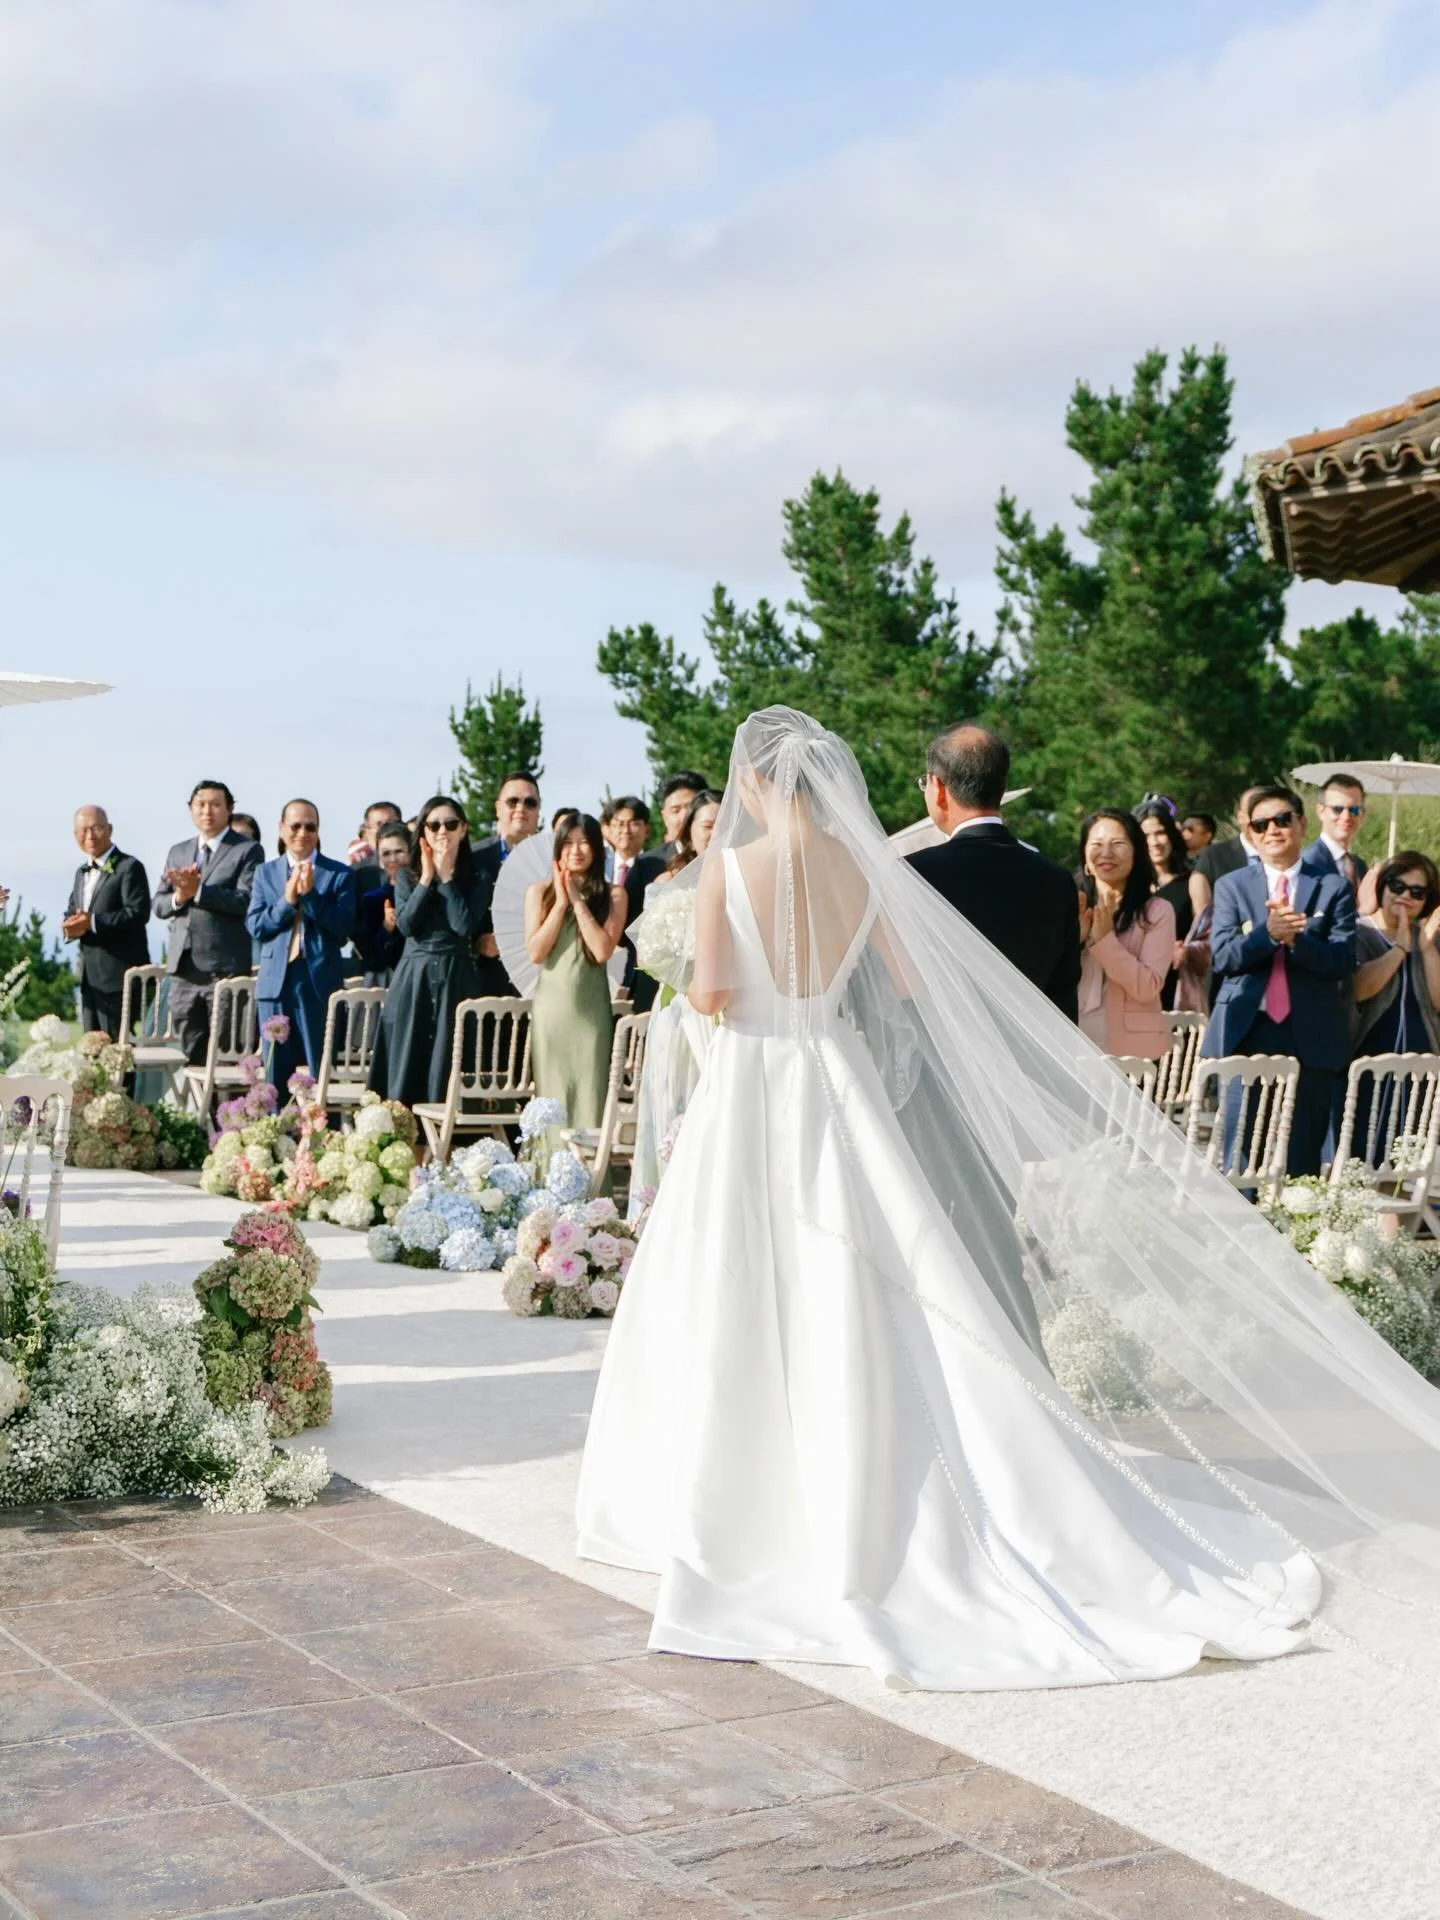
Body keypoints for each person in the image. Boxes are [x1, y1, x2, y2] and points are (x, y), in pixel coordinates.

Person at [573, 707, 1440, 1692]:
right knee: (869, 1273)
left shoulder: (731, 870)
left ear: (761, 784)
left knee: (739, 1268)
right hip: (835, 1078)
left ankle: (744, 1479)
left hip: (755, 1085)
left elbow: (713, 999)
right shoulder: (868, 869)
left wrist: (700, 975)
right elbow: (904, 983)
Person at [1205, 786, 1356, 1175]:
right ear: (1251, 833)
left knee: (1302, 1161)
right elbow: (1223, 957)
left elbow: (1342, 961)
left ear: (1302, 824)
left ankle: (1297, 1215)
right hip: (1246, 1029)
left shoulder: (1333, 887)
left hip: (1311, 1033)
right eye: (1261, 824)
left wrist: (1296, 941)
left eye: (1282, 820)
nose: (1272, 829)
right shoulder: (1232, 885)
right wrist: (1268, 934)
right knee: (1242, 1158)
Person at [905, 724, 1081, 1021]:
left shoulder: (913, 874)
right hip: (1031, 1047)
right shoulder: (1057, 880)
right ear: (1001, 784)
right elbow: (1062, 996)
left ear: (938, 788)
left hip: (942, 1047)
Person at [369, 797, 487, 1106]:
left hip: (456, 976)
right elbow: (406, 925)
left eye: (450, 824)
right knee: (409, 1063)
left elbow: (463, 925)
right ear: (423, 832)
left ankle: (446, 1135)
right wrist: (426, 879)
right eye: (433, 825)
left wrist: (446, 878)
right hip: (415, 977)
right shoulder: (407, 876)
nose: (442, 831)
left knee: (449, 1061)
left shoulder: (478, 877)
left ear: (463, 829)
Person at [246, 800, 358, 1092]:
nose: (302, 833)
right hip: (275, 983)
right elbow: (256, 926)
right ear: (281, 829)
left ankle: (323, 1123)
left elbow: (343, 930)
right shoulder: (265, 873)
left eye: (310, 827)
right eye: (295, 826)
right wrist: (287, 902)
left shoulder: (339, 874)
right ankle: (275, 1122)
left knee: (320, 1074)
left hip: (317, 981)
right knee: (274, 1074)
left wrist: (311, 898)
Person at [524, 812, 626, 1132]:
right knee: (550, 1099)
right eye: (568, 843)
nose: (576, 850)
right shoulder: (538, 893)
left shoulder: (614, 895)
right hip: (550, 1012)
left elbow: (601, 951)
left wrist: (578, 902)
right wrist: (559, 903)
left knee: (590, 1095)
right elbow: (536, 952)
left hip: (591, 1012)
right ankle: (547, 1163)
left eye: (584, 843)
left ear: (597, 848)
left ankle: (591, 1164)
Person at [153, 780, 264, 1065]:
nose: (207, 811)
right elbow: (159, 905)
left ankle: (224, 1098)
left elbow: (246, 900)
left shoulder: (247, 850)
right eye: (200, 805)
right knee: (189, 1054)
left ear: (229, 809)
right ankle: (194, 1098)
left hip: (223, 968)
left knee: (225, 1055)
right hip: (184, 969)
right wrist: (180, 896)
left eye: (215, 805)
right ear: (190, 809)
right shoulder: (178, 851)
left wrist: (200, 892)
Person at [1349, 852, 1440, 1159]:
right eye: (1397, 886)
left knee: (1407, 1166)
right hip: (1366, 1070)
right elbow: (1360, 989)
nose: (1405, 897)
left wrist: (1426, 948)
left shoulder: (1428, 939)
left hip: (1418, 1075)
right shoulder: (1360, 932)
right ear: (1383, 886)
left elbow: (1437, 1002)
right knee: (1361, 1160)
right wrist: (1399, 948)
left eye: (1417, 892)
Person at [1077, 810, 1173, 1059]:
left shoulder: (1157, 911)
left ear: (1137, 852)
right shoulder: (1071, 906)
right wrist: (1076, 940)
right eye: (1097, 844)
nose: (1106, 853)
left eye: (1118, 843)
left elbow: (1147, 987)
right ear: (1085, 856)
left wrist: (1104, 941)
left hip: (1133, 1053)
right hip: (1071, 1042)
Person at [61, 807, 150, 1039]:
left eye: (96, 828)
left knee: (117, 1049)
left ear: (109, 829)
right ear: (75, 835)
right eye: (83, 830)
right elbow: (73, 910)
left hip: (120, 977)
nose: (89, 835)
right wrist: (69, 928)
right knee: (91, 1047)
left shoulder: (129, 867)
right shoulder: (80, 873)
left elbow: (138, 913)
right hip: (90, 978)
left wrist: (92, 922)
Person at [472, 772, 542, 996]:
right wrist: (476, 943)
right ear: (498, 808)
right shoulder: (473, 858)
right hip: (482, 981)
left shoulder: (553, 861)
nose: (521, 808)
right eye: (513, 801)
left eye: (530, 803)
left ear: (538, 811)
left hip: (537, 982)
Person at [603, 796, 667, 1012]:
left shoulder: (658, 869)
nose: (626, 830)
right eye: (619, 823)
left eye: (634, 823)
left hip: (636, 971)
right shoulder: (592, 867)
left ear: (647, 830)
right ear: (607, 828)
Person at [1135, 800, 1194, 1006]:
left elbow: (1205, 934)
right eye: (1145, 836)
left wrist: (1189, 949)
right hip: (1131, 986)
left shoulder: (1193, 882)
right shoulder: (1127, 885)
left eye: (1160, 833)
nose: (1154, 842)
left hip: (1178, 989)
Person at [1188, 788, 1263, 919]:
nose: (1261, 820)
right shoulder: (1214, 856)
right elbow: (1203, 914)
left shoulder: (1287, 854)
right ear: (1240, 817)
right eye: (1254, 813)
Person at [355, 823, 412, 986]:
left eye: (399, 852)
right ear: (379, 859)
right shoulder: (373, 900)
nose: (393, 859)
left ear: (411, 852)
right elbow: (371, 956)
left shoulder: (426, 891)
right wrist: (386, 928)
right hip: (390, 982)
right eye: (386, 853)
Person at [1303, 772, 1368, 897]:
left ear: (1363, 815)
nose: (1346, 817)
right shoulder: (1308, 863)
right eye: (1337, 809)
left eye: (1354, 810)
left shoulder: (1360, 866)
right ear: (1321, 811)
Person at [658, 771, 709, 860]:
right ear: (664, 817)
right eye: (676, 811)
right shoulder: (647, 865)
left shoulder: (727, 855)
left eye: (691, 807)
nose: (684, 817)